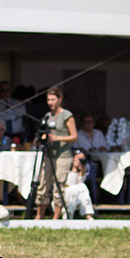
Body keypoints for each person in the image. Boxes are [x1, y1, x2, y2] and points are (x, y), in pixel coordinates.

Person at [34, 86, 78, 220]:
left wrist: (58, 138)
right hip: (49, 154)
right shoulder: (47, 116)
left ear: (60, 99)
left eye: (53, 99)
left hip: (62, 155)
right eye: (48, 100)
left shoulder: (66, 115)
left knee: (59, 185)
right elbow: (44, 132)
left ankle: (56, 217)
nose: (50, 102)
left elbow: (74, 136)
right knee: (43, 183)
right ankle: (39, 215)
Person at [64, 149, 95, 220]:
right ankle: (85, 214)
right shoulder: (67, 166)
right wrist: (74, 169)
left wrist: (81, 173)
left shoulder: (85, 167)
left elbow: (80, 183)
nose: (80, 161)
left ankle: (87, 214)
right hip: (67, 192)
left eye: (82, 159)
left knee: (82, 187)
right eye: (78, 159)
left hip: (78, 193)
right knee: (75, 189)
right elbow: (69, 184)